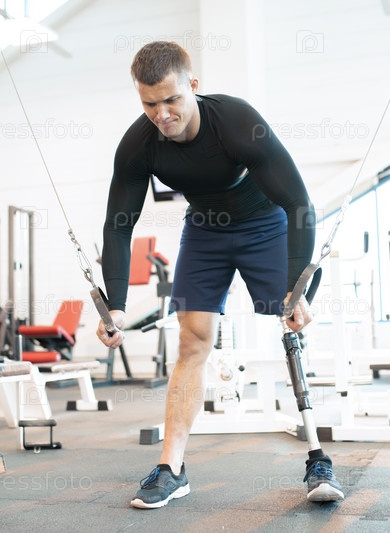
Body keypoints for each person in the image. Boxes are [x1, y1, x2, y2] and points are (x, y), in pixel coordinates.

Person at [96, 40, 344, 509]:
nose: (161, 114)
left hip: (265, 222)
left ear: (193, 85)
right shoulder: (138, 144)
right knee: (193, 341)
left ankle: (318, 458)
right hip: (206, 229)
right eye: (149, 104)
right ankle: (171, 468)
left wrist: (297, 288)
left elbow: (298, 203)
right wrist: (117, 306)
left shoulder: (235, 121)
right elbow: (118, 226)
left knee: (290, 325)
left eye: (172, 99)